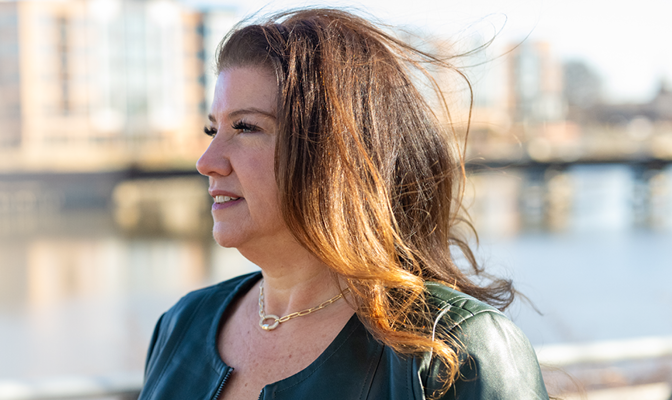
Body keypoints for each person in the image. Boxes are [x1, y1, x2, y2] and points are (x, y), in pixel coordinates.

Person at [138, 8, 548, 400]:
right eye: (213, 129)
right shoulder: (182, 325)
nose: (206, 161)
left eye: (245, 127)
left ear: (336, 154)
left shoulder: (456, 349)